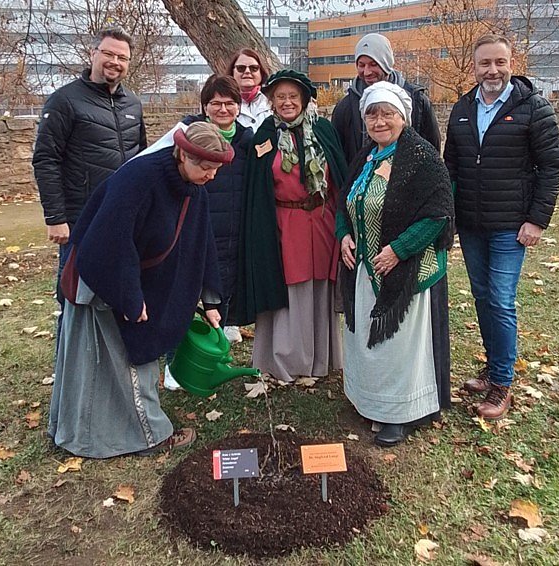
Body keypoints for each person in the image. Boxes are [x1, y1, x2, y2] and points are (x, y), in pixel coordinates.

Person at [48, 122, 233, 458]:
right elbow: (111, 240)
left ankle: (98, 430)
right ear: (182, 154)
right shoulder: (139, 178)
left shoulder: (194, 189)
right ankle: (149, 436)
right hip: (105, 280)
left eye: (215, 169)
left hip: (138, 281)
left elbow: (201, 244)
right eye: (204, 168)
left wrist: (210, 299)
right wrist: (130, 298)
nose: (210, 176)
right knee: (125, 360)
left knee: (116, 365)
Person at [444, 34, 559, 420]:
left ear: (511, 63)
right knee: (482, 298)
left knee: (500, 299)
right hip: (473, 225)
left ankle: (502, 384)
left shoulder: (533, 108)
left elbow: (552, 167)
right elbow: (451, 168)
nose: (492, 70)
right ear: (475, 67)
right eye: (484, 64)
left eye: (499, 62)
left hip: (511, 227)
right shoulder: (462, 110)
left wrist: (536, 220)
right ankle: (493, 366)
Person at [337, 82, 454, 447]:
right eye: (372, 113)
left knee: (398, 346)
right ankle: (370, 400)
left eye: (388, 113)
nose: (379, 121)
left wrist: (399, 250)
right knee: (368, 345)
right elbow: (345, 204)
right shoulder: (365, 157)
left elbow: (439, 214)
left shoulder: (421, 157)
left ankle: (399, 414)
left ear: (403, 117)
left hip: (405, 271)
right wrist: (344, 235)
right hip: (366, 268)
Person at [32, 27, 147, 354]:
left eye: (122, 57)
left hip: (124, 220)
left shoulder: (133, 104)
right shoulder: (65, 101)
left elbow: (141, 160)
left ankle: (113, 366)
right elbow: (45, 159)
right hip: (80, 222)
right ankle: (67, 367)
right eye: (108, 53)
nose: (115, 62)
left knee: (119, 292)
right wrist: (55, 217)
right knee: (74, 296)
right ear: (93, 54)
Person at [235, 70, 347, 383]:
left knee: (318, 287)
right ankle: (285, 359)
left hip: (322, 220)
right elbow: (257, 189)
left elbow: (338, 174)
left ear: (304, 100)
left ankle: (321, 358)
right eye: (280, 97)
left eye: (293, 97)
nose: (287, 103)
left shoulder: (323, 130)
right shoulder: (265, 135)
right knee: (290, 288)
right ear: (271, 101)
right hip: (286, 223)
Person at [161, 74, 253, 390]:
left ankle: (212, 351)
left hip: (231, 231)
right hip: (196, 228)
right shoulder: (186, 137)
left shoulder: (247, 141)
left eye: (229, 103)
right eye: (216, 103)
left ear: (239, 107)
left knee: (221, 291)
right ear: (205, 106)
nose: (223, 109)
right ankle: (175, 361)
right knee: (183, 296)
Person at [331, 33, 440, 166]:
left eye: (373, 64)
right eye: (361, 65)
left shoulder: (417, 101)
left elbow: (433, 150)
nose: (366, 72)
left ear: (386, 64)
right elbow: (338, 157)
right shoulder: (345, 107)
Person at [227, 48, 272, 132]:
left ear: (261, 72)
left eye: (253, 68)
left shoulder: (273, 102)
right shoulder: (222, 104)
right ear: (232, 72)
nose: (247, 71)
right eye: (241, 68)